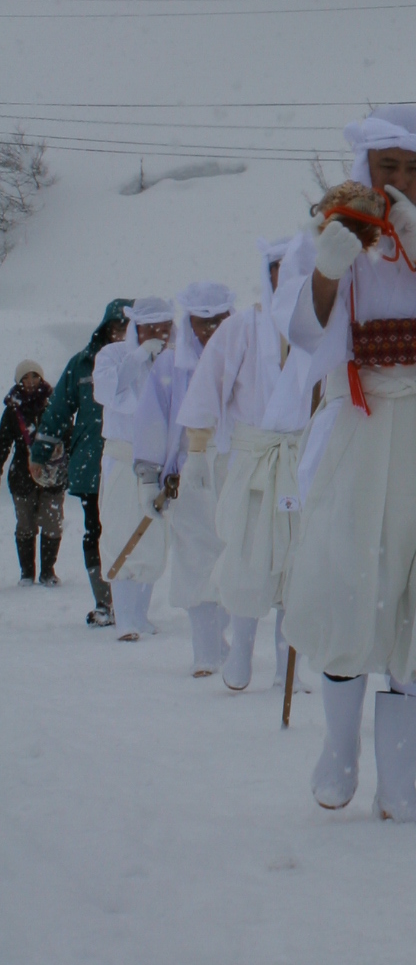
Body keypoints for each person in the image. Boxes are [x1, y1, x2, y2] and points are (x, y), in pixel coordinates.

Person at [277, 107, 416, 823]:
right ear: (364, 168)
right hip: (361, 423)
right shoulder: (327, 236)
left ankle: (400, 782)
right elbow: (300, 331)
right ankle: (339, 749)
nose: (401, 180)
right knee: (349, 578)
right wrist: (328, 270)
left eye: (415, 168)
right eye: (388, 166)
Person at [185, 242, 317, 692]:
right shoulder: (243, 327)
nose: (289, 276)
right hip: (254, 459)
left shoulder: (322, 329)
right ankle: (240, 653)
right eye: (281, 269)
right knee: (248, 555)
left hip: (302, 459)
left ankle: (288, 666)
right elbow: (208, 386)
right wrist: (198, 448)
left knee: (297, 561)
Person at [153, 283, 236, 676]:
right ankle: (206, 650)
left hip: (239, 465)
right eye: (202, 323)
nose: (210, 331)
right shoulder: (171, 367)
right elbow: (153, 422)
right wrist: (148, 473)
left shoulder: (247, 356)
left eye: (218, 321)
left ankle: (225, 642)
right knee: (194, 557)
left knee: (234, 556)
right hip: (191, 469)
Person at [32, 298, 130, 626]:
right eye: (116, 327)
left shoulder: (145, 363)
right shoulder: (83, 364)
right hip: (92, 466)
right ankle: (104, 601)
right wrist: (40, 452)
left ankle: (132, 601)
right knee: (96, 531)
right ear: (105, 328)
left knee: (130, 532)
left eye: (128, 328)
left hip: (133, 467)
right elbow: (59, 409)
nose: (121, 334)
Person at [91, 298, 174, 638]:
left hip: (160, 458)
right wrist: (139, 357)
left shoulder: (174, 361)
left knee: (153, 536)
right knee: (120, 530)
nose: (157, 335)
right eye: (149, 329)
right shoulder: (112, 356)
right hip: (124, 456)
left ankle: (140, 614)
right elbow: (111, 393)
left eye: (162, 329)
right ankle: (123, 615)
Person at [1, 363, 60, 584]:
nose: (31, 381)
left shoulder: (54, 404)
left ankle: (48, 572)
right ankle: (27, 573)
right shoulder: (12, 410)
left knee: (52, 522)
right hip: (22, 476)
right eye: (26, 377)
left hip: (51, 473)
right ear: (20, 381)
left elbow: (67, 432)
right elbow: (3, 443)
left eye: (35, 376)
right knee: (25, 524)